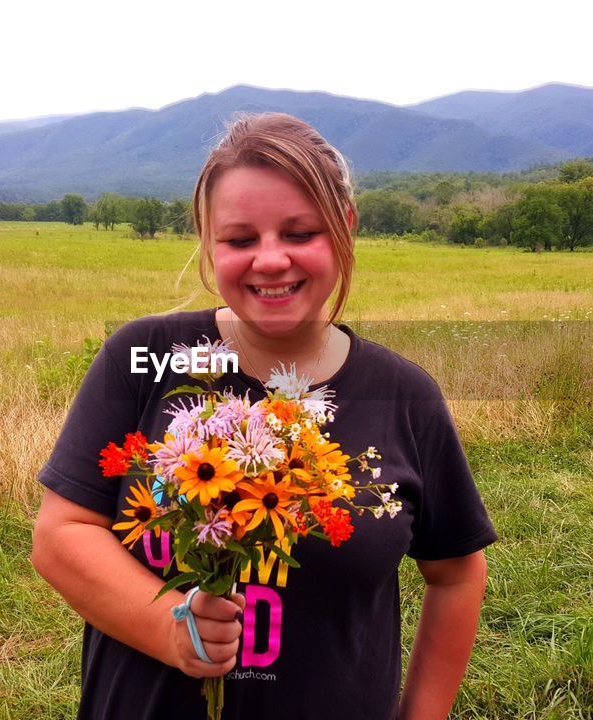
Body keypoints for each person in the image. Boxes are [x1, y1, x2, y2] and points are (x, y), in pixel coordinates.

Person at [31, 112, 498, 720]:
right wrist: (173, 629)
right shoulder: (147, 358)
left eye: (300, 232)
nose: (270, 260)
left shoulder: (404, 395)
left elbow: (457, 572)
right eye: (240, 239)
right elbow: (60, 536)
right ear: (208, 244)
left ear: (345, 228)